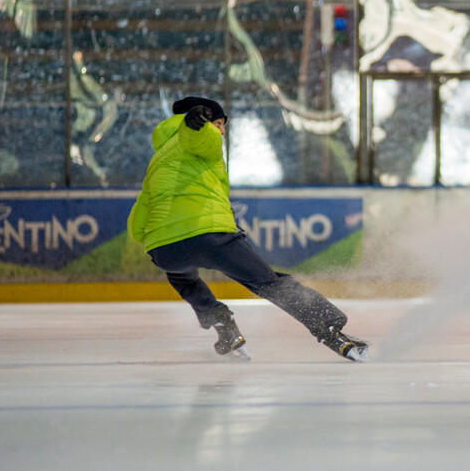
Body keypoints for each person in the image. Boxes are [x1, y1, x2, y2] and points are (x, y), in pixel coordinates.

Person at [127, 96, 369, 362]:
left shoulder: (157, 160)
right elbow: (200, 140)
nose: (222, 131)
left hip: (164, 249)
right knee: (269, 283)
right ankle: (327, 325)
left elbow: (137, 226)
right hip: (210, 237)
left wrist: (158, 238)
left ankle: (220, 322)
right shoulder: (201, 135)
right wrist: (195, 124)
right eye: (219, 123)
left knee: (182, 276)